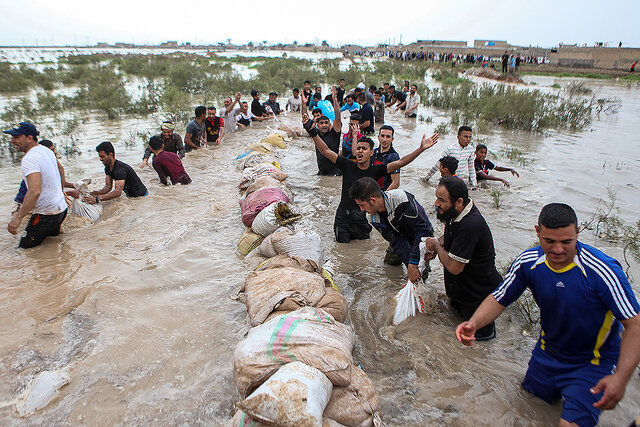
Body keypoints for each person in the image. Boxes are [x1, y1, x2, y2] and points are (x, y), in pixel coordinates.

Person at [456, 203, 640, 427]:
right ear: (537, 232)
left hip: (592, 364)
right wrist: (474, 323)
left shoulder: (603, 271)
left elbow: (635, 325)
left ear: (578, 233)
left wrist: (620, 378)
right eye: (549, 241)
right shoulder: (529, 262)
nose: (558, 250)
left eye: (566, 242)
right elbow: (500, 297)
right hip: (547, 354)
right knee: (528, 407)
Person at [305, 112, 439, 243]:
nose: (360, 151)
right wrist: (313, 132)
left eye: (364, 149)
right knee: (342, 250)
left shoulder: (376, 170)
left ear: (371, 153)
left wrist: (421, 148)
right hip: (343, 219)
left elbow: (400, 162)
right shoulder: (347, 165)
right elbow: (325, 151)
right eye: (358, 148)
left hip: (362, 220)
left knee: (363, 251)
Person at [425, 177, 502, 340]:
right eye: (437, 198)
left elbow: (454, 267)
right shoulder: (454, 214)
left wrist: (437, 248)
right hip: (461, 294)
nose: (436, 204)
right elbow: (450, 237)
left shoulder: (470, 224)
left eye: (441, 200)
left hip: (476, 300)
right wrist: (437, 243)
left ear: (459, 202)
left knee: (477, 345)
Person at [350, 177, 434, 282]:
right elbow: (396, 241)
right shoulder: (371, 217)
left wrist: (413, 263)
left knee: (420, 273)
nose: (361, 210)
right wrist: (409, 265)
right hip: (399, 233)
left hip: (420, 234)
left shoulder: (401, 199)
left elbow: (422, 231)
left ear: (373, 200)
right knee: (391, 262)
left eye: (362, 205)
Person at [5, 122, 68, 248]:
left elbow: (34, 191)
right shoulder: (46, 151)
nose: (12, 141)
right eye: (12, 137)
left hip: (46, 214)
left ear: (29, 138)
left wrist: (17, 219)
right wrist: (61, 193)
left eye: (16, 137)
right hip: (61, 209)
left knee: (23, 251)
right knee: (52, 246)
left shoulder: (29, 159)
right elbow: (61, 170)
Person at [302, 86, 342, 176]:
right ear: (317, 125)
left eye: (326, 123)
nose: (324, 125)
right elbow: (305, 120)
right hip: (321, 173)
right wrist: (304, 104)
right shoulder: (316, 134)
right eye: (322, 123)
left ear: (329, 124)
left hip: (335, 174)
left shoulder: (335, 133)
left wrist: (335, 101)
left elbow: (338, 117)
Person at [371, 125, 400, 190]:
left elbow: (395, 183)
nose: (384, 139)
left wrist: (384, 197)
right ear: (378, 137)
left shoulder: (394, 157)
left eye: (388, 137)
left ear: (392, 139)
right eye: (382, 136)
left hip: (384, 192)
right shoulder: (373, 153)